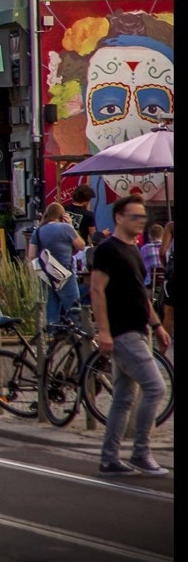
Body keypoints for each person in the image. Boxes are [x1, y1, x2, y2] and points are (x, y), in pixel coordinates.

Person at [91, 195, 171, 478]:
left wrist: (158, 325)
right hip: (122, 332)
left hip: (140, 329)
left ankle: (109, 458)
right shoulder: (108, 250)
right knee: (156, 388)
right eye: (135, 216)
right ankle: (140, 452)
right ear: (119, 218)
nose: (140, 222)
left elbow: (141, 293)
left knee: (124, 397)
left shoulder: (134, 250)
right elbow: (97, 289)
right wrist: (103, 330)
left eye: (142, 217)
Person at [28, 202, 82, 327]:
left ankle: (53, 340)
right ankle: (75, 338)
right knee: (74, 310)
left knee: (51, 313)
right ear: (62, 216)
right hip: (65, 274)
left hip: (46, 276)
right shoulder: (66, 228)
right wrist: (70, 226)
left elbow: (31, 255)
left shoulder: (38, 231)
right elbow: (81, 245)